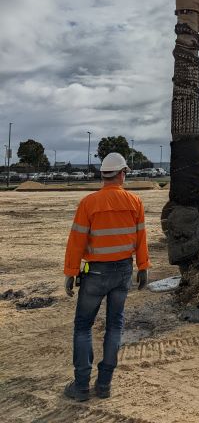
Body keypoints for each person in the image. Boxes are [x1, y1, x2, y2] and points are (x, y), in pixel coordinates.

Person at [63, 152, 151, 401]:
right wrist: (143, 267)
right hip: (122, 271)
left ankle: (81, 386)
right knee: (114, 326)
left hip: (95, 273)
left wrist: (71, 272)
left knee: (83, 327)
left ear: (103, 175)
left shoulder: (89, 203)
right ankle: (104, 385)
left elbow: (76, 241)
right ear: (122, 174)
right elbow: (141, 238)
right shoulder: (135, 201)